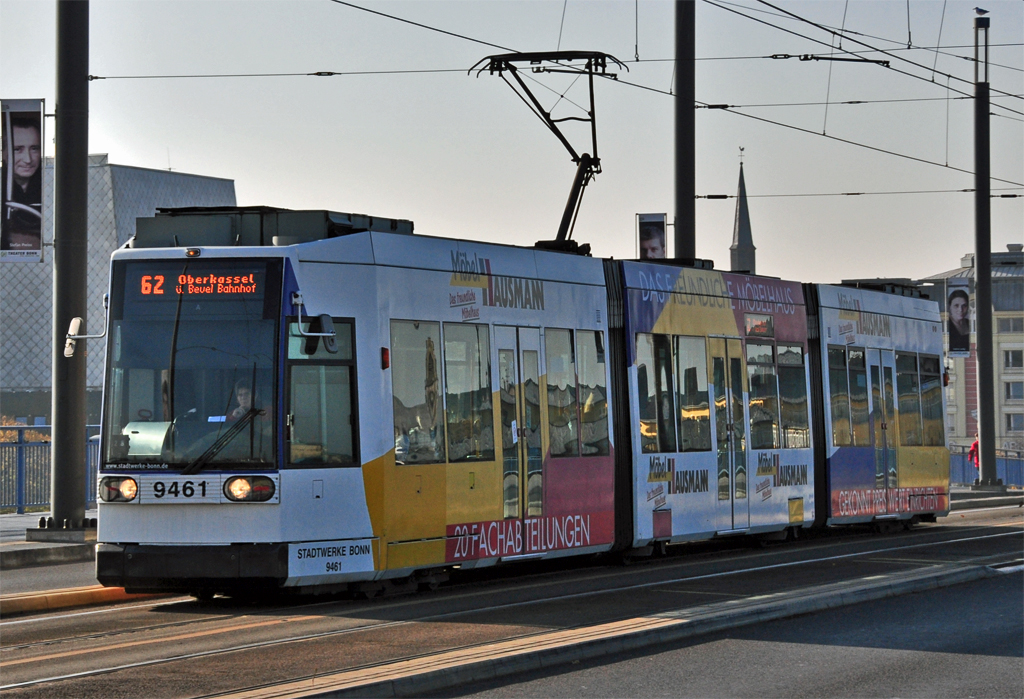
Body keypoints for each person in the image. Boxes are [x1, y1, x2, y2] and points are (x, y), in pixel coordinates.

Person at [1, 116, 43, 251]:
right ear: (3, 153)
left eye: (34, 148)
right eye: (17, 149)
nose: (28, 159)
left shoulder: (50, 187)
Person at [947, 288, 970, 353]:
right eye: (956, 306)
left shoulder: (969, 323)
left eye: (964, 306)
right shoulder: (948, 326)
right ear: (950, 307)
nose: (960, 309)